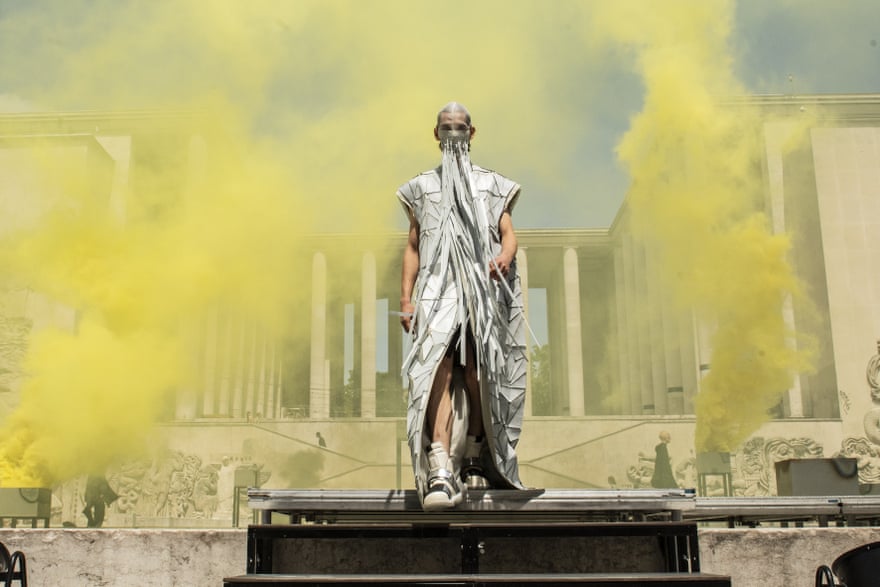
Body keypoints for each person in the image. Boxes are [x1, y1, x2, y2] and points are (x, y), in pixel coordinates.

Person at [398, 102, 527, 510]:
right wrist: (406, 297)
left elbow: (508, 232)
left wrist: (504, 256)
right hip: (437, 292)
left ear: (472, 133)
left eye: (459, 127)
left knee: (476, 372)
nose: (453, 133)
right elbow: (414, 245)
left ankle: (474, 453)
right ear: (436, 134)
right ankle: (439, 462)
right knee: (436, 367)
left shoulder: (491, 185)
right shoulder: (421, 188)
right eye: (446, 127)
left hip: (478, 294)